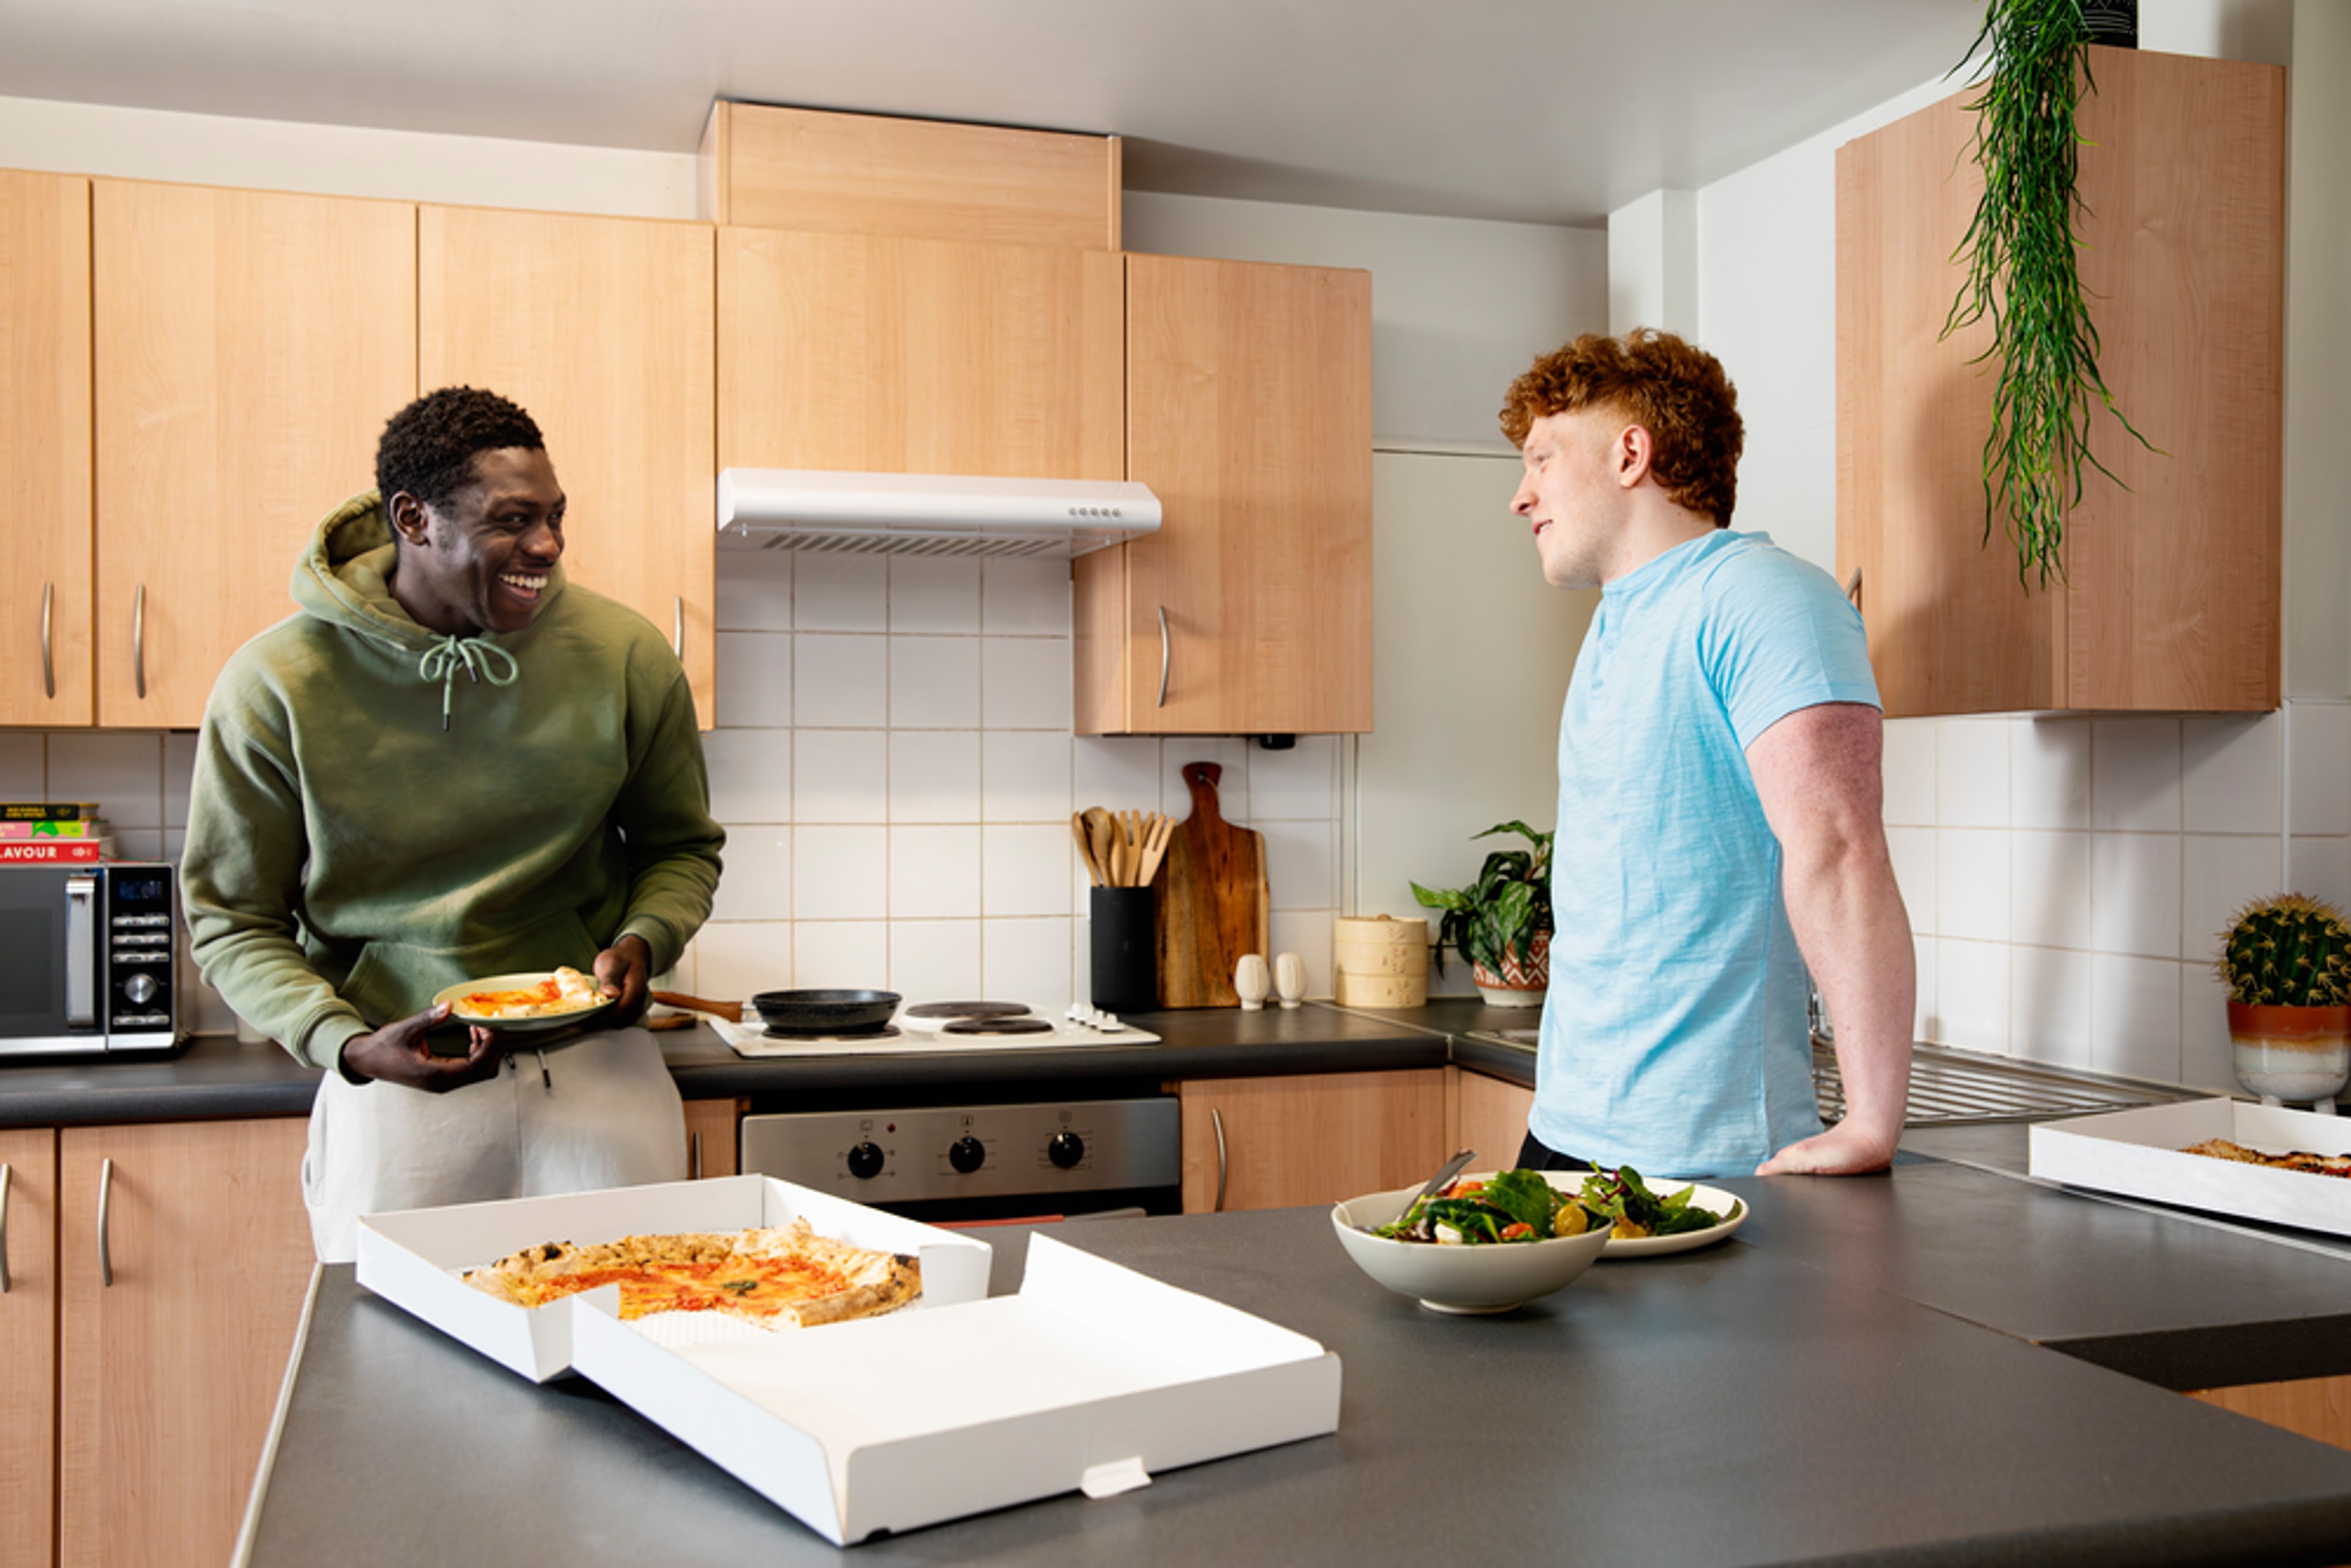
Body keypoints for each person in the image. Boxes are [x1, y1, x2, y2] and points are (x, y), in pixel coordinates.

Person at [182, 386, 727, 1260]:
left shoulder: (626, 655)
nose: (546, 546)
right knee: (399, 1375)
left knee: (636, 1347)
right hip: (399, 1083)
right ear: (414, 518)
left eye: (555, 516)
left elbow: (680, 847)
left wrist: (647, 936)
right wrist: (348, 1045)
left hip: (595, 1077)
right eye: (513, 520)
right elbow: (230, 916)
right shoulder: (274, 684)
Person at [1500, 329, 1913, 1179]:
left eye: (1542, 459)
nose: (1522, 494)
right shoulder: (1621, 619)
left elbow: (1839, 850)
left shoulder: (1764, 597)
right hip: (1566, 1130)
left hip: (1697, 1162)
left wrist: (1871, 1121)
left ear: (1630, 453)